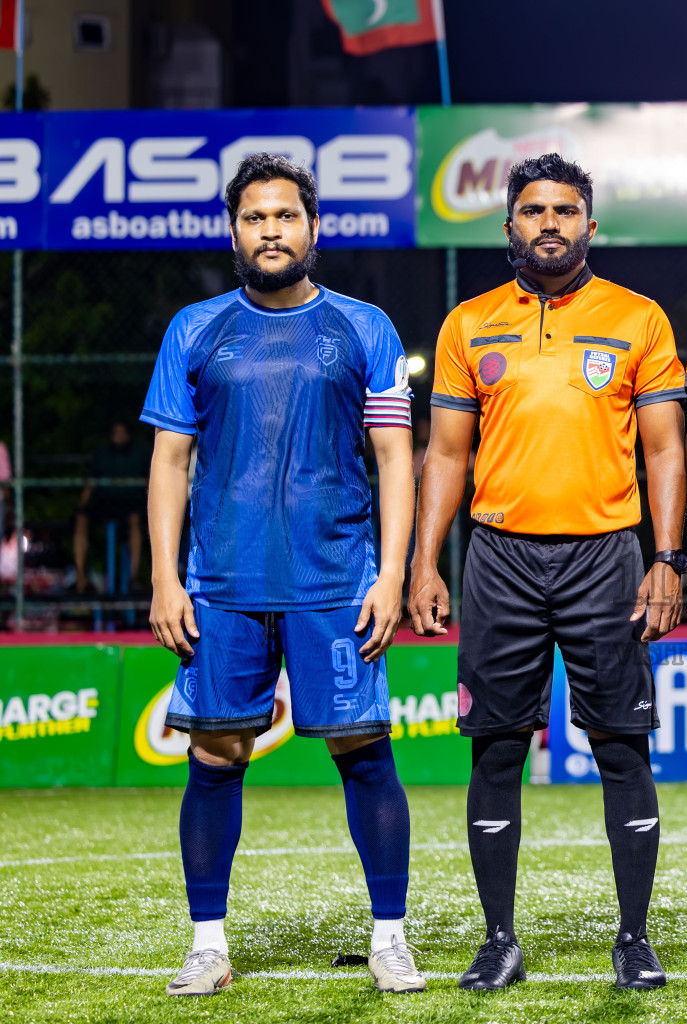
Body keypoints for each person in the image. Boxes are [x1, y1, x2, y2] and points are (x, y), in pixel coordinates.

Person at [143, 154, 420, 996]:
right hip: (220, 584)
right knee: (216, 756)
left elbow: (395, 459)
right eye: (255, 217)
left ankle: (390, 937)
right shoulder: (195, 328)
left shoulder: (363, 327)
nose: (271, 230)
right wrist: (164, 576)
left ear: (312, 227)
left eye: (285, 215)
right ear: (235, 232)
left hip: (336, 581)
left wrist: (393, 574)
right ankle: (208, 944)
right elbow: (167, 462)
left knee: (364, 751)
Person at [409, 154, 687, 991]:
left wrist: (669, 559)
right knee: (495, 749)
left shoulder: (637, 319)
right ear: (510, 228)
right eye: (533, 211)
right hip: (499, 557)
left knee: (622, 747)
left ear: (591, 225)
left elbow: (667, 448)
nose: (550, 224)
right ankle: (499, 939)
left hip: (607, 555)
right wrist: (427, 561)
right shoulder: (469, 325)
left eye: (566, 210)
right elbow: (446, 455)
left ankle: (633, 939)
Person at [74, 421, 151, 593]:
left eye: (122, 432)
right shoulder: (102, 453)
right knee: (81, 518)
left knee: (135, 520)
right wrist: (81, 506)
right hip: (104, 502)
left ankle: (134, 577)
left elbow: (150, 483)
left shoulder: (141, 452)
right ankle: (80, 576)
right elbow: (90, 483)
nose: (118, 436)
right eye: (115, 432)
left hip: (131, 503)